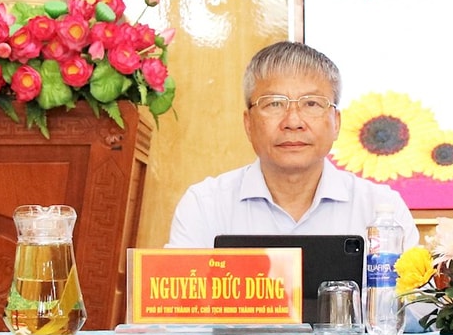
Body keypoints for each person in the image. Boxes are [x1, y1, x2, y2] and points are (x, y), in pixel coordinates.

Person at [167, 41, 416, 248]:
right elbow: (180, 293)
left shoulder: (383, 213)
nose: (293, 122)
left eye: (311, 104)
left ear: (336, 123)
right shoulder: (205, 206)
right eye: (274, 104)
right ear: (248, 123)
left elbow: (413, 295)